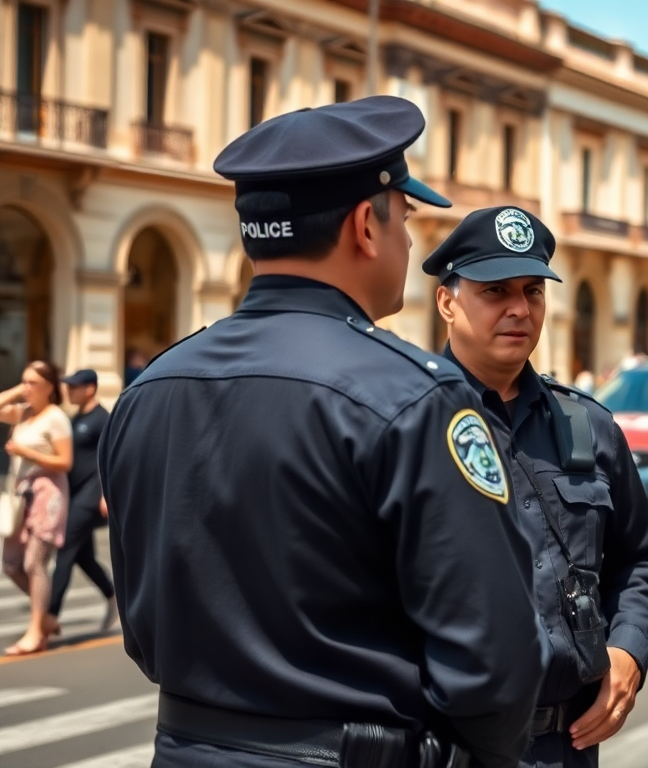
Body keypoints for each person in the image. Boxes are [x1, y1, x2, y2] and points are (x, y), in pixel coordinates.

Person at [98, 96, 543, 768]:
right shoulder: (413, 395)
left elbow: (144, 624)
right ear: (367, 225)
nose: (410, 240)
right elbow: (495, 661)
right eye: (406, 218)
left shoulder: (150, 387)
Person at [422, 206, 648, 768]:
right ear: (447, 301)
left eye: (533, 291)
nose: (519, 309)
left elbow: (641, 560)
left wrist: (628, 650)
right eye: (495, 291)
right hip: (446, 747)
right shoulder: (405, 424)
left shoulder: (587, 426)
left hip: (566, 745)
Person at [0, 360, 73, 655]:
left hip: (48, 495)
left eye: (33, 383)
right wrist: (19, 389)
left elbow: (65, 462)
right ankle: (44, 618)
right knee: (11, 564)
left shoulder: (56, 418)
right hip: (21, 496)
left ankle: (35, 634)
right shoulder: (24, 413)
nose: (27, 388)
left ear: (50, 388)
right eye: (24, 381)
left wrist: (25, 451)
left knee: (34, 564)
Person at [47, 368, 118, 633]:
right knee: (83, 556)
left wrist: (105, 494)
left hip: (91, 496)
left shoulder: (102, 419)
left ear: (90, 388)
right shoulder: (75, 419)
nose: (69, 390)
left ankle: (49, 616)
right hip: (75, 494)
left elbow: (112, 458)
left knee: (65, 550)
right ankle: (113, 596)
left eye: (75, 386)